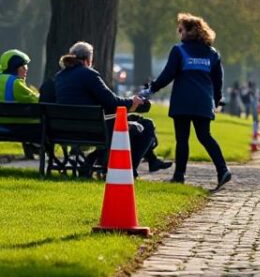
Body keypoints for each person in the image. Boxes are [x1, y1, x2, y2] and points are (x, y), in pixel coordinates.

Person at [49, 42, 168, 178]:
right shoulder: (89, 74)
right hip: (93, 130)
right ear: (88, 59)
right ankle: (126, 169)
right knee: (146, 126)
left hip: (66, 130)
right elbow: (112, 103)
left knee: (135, 123)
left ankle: (103, 158)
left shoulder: (60, 76)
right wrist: (133, 102)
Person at [145, 14, 231, 188]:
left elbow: (167, 75)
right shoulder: (212, 54)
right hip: (203, 102)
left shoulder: (179, 50)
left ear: (190, 31)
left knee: (182, 139)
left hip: (183, 101)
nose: (179, 33)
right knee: (205, 136)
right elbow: (218, 81)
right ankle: (222, 170)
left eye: (181, 29)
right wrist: (216, 100)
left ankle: (179, 176)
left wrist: (151, 89)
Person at [0, 49, 43, 158]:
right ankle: (36, 146)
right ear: (14, 67)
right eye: (23, 66)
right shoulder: (16, 84)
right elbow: (37, 100)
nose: (26, 70)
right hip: (19, 125)